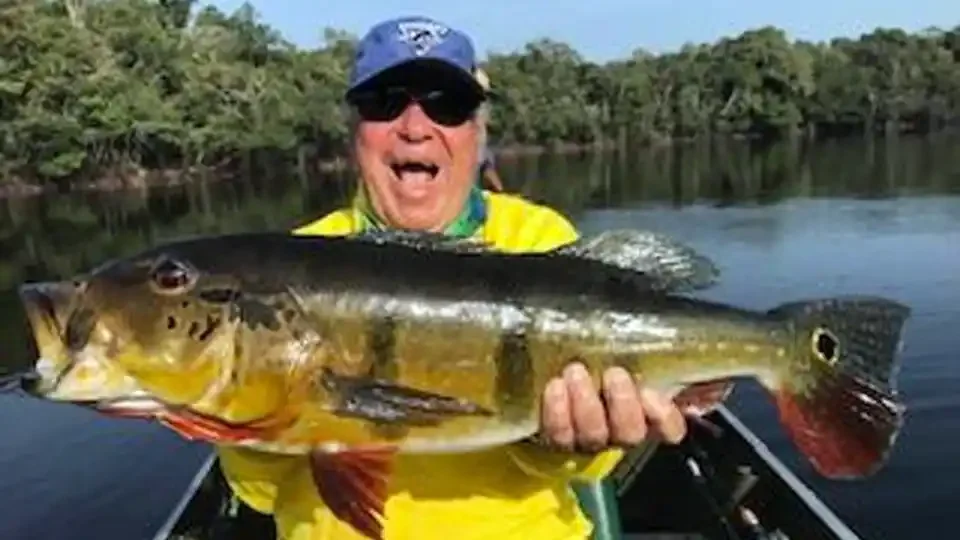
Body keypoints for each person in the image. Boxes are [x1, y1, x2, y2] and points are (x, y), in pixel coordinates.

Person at [214, 15, 688, 540]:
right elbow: (258, 493)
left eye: (448, 104)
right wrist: (247, 414)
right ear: (354, 132)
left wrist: (563, 447)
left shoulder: (538, 239)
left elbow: (591, 468)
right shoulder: (292, 266)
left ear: (477, 134)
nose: (415, 126)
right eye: (384, 102)